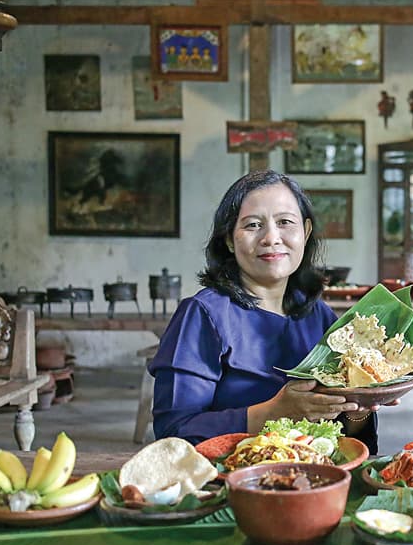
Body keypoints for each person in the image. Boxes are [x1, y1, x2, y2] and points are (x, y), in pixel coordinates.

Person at [149, 170, 378, 451]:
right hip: (229, 482)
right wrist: (272, 413)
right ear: (230, 240)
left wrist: (360, 407)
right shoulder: (202, 315)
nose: (271, 237)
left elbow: (345, 437)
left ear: (305, 233)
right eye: (253, 225)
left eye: (285, 222)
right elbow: (172, 433)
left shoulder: (319, 317)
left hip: (314, 478)